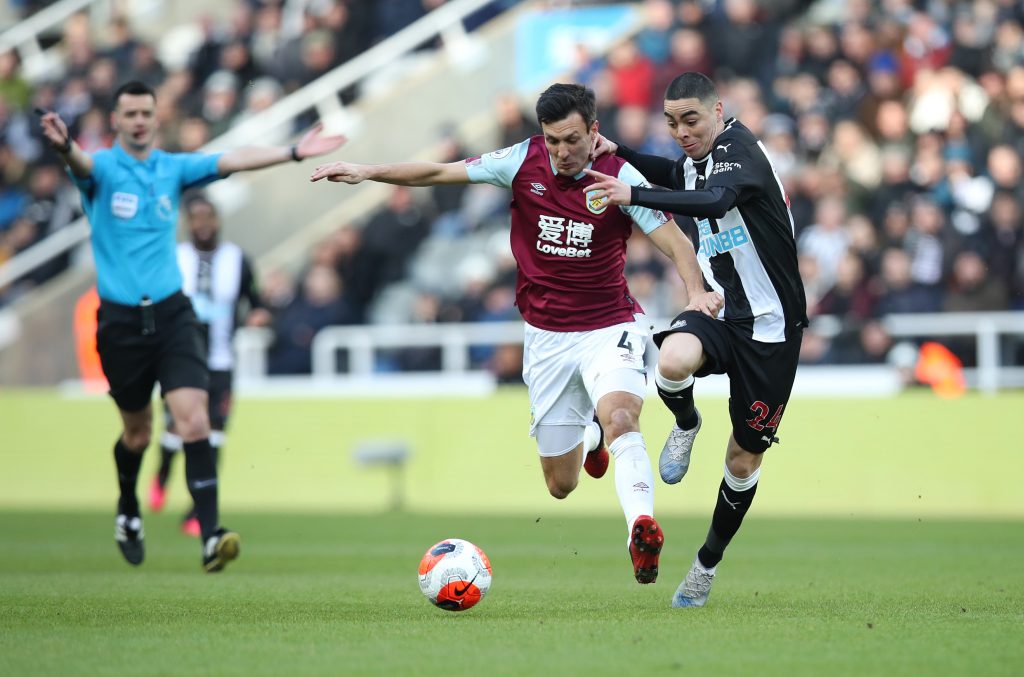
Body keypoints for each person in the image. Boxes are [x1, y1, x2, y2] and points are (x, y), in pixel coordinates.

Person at [310, 83, 721, 584]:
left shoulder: (619, 174)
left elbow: (674, 240)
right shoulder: (520, 160)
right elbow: (442, 171)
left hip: (610, 324)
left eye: (572, 139)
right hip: (546, 337)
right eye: (552, 141)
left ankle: (640, 526)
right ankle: (590, 436)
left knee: (622, 417)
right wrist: (369, 171)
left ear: (595, 131)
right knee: (560, 484)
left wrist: (696, 292)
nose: (562, 152)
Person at [39, 80, 345, 572]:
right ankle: (128, 509)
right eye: (130, 113)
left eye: (146, 112)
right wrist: (65, 147)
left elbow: (232, 159)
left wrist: (293, 151)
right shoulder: (102, 170)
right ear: (116, 120)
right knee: (137, 433)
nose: (139, 120)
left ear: (156, 119)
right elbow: (79, 164)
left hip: (172, 314)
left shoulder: (172, 169)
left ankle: (210, 534)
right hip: (120, 322)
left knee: (195, 420)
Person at [585, 72, 807, 607]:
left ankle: (706, 564)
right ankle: (687, 422)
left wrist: (632, 191)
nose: (681, 132)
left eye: (690, 120)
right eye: (672, 122)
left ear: (718, 111)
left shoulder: (740, 150)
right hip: (724, 311)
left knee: (742, 462)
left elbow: (712, 200)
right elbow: (678, 173)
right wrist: (625, 152)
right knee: (673, 357)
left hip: (773, 330)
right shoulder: (696, 157)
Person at [148, 192, 272, 536]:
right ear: (188, 222)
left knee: (214, 435)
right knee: (178, 429)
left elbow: (256, 300)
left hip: (220, 361)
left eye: (209, 216)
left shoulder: (238, 260)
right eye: (196, 217)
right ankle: (161, 475)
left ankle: (194, 510)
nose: (203, 223)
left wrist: (261, 314)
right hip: (181, 358)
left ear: (217, 220)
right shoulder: (174, 258)